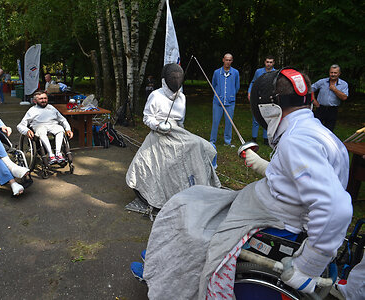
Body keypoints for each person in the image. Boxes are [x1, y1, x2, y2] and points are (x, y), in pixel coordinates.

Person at [132, 68, 352, 299]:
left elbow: (335, 208)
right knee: (195, 196)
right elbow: (296, 183)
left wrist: (307, 266)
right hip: (261, 206)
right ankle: (162, 258)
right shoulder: (317, 133)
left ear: (267, 109)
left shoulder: (297, 142)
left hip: (268, 220)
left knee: (187, 216)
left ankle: (166, 273)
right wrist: (261, 165)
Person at [126, 63, 220, 210]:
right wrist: (158, 125)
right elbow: (147, 117)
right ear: (165, 79)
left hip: (176, 132)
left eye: (178, 77)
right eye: (173, 77)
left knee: (203, 146)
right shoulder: (155, 95)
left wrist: (182, 135)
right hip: (159, 133)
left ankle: (200, 189)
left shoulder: (181, 97)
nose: (176, 79)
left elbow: (180, 122)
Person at [17, 91, 73, 164]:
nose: (43, 100)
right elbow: (20, 125)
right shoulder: (32, 110)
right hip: (39, 126)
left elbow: (62, 120)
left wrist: (68, 129)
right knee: (41, 131)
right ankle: (51, 155)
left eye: (45, 98)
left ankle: (58, 154)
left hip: (52, 125)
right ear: (35, 101)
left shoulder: (51, 108)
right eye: (41, 99)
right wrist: (26, 131)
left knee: (60, 129)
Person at [210, 53, 240, 147]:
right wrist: (218, 94)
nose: (228, 62)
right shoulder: (217, 72)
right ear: (223, 60)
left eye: (230, 60)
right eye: (226, 60)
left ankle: (227, 141)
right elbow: (213, 84)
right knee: (215, 121)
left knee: (229, 122)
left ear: (232, 61)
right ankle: (212, 140)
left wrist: (231, 95)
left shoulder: (235, 72)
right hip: (218, 102)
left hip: (230, 102)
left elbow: (237, 86)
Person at [247, 55, 275, 145]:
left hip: (269, 99)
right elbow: (253, 82)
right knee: (256, 118)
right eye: (267, 62)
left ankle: (266, 139)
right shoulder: (258, 72)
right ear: (264, 62)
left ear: (273, 63)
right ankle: (254, 138)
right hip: (258, 97)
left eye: (271, 62)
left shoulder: (276, 73)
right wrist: (249, 92)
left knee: (267, 119)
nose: (269, 64)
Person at [311, 64, 348, 131]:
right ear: (329, 72)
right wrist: (314, 101)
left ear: (339, 73)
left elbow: (344, 97)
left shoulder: (343, 84)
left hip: (332, 110)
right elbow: (310, 89)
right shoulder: (322, 82)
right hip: (320, 109)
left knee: (329, 130)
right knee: (316, 129)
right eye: (331, 72)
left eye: (335, 73)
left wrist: (335, 90)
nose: (333, 74)